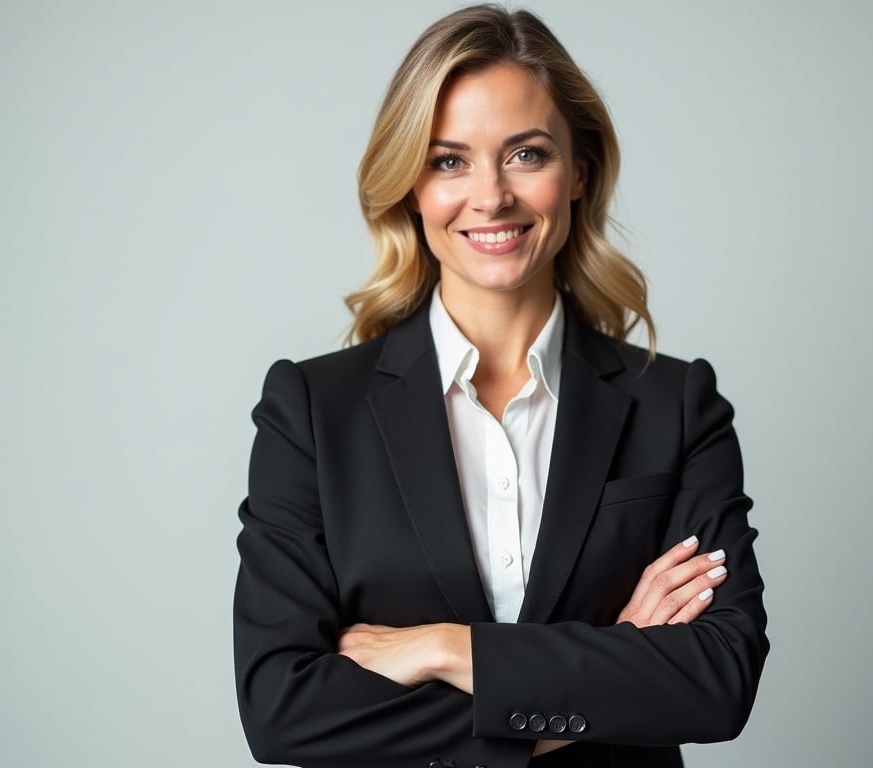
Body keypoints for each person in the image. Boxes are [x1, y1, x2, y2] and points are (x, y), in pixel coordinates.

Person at [233, 5, 768, 767]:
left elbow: (719, 681)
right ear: (409, 187)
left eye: (525, 154)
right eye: (449, 160)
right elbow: (281, 710)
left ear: (578, 170)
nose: (490, 197)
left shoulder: (675, 407)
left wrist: (444, 650)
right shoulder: (313, 414)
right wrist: (605, 671)